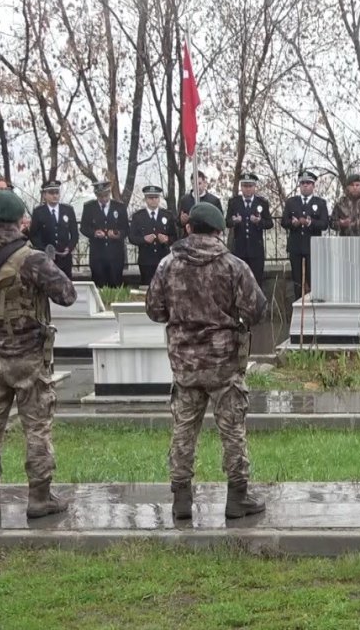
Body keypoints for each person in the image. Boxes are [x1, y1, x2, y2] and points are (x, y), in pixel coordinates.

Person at [0, 189, 77, 520]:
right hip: (30, 360)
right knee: (37, 428)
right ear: (19, 221)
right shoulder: (31, 258)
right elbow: (67, 294)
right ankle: (39, 497)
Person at [146, 202, 267, 521]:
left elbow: (154, 310)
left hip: (184, 364)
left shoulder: (167, 265)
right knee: (232, 430)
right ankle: (237, 497)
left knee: (184, 429)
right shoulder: (233, 265)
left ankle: (181, 499)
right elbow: (256, 309)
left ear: (188, 228)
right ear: (219, 230)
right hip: (223, 362)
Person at [280, 170, 330, 300]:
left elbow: (324, 224)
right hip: (296, 247)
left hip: (312, 247)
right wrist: (293, 223)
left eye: (308, 183)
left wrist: (310, 223)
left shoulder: (320, 203)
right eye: (302, 183)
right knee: (297, 281)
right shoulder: (291, 202)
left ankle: (313, 309)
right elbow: (283, 222)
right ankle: (298, 307)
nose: (305, 185)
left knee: (313, 279)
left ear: (313, 186)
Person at [225, 172, 274, 285]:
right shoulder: (234, 202)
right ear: (241, 187)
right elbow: (227, 222)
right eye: (244, 186)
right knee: (240, 282)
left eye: (250, 186)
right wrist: (234, 221)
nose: (247, 189)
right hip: (239, 249)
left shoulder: (262, 202)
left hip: (256, 249)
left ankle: (257, 303)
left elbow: (270, 223)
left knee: (256, 281)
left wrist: (259, 222)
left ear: (254, 187)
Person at [79, 182, 128, 289]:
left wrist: (118, 234)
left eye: (106, 195)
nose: (104, 199)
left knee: (116, 285)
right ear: (96, 195)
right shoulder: (89, 207)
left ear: (109, 193)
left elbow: (126, 229)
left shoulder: (119, 207)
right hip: (97, 255)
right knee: (99, 285)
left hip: (115, 255)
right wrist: (94, 233)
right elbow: (83, 228)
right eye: (101, 196)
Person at [129, 185, 177, 286]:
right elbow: (132, 237)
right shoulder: (138, 216)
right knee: (147, 287)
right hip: (146, 260)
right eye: (151, 198)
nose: (154, 200)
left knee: (165, 287)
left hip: (163, 259)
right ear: (146, 199)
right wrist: (144, 240)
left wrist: (167, 239)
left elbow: (175, 237)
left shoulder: (167, 215)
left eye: (156, 197)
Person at [29, 181, 79, 278]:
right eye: (51, 193)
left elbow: (74, 234)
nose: (55, 196)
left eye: (57, 193)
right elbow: (33, 235)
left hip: (65, 257)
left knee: (66, 286)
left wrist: (69, 248)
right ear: (44, 195)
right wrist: (44, 250)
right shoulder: (39, 212)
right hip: (46, 258)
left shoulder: (68, 210)